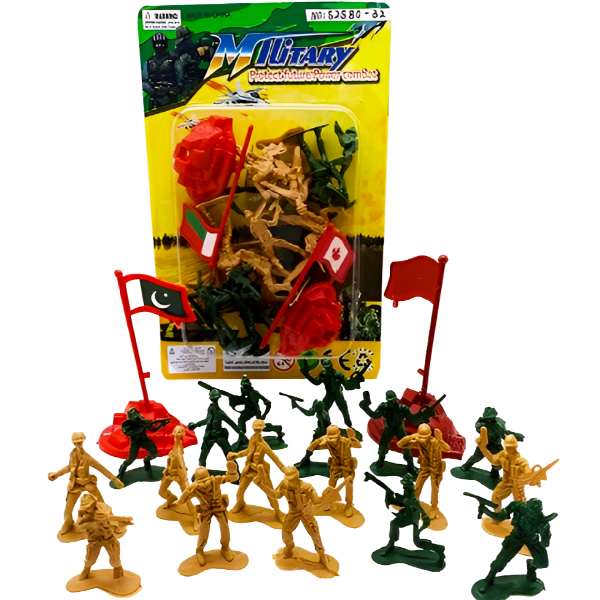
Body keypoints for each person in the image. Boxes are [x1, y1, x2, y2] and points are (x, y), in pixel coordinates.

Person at [48, 432, 123, 534]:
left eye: (80, 443)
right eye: (77, 443)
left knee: (102, 506)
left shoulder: (87, 457)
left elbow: (101, 468)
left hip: (88, 484)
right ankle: (68, 524)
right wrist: (57, 474)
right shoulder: (73, 455)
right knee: (67, 511)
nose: (79, 445)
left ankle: (112, 524)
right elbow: (69, 467)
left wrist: (115, 480)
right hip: (75, 485)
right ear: (74, 444)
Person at [175, 460, 239, 566]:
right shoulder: (195, 488)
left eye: (206, 480)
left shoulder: (216, 480)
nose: (205, 484)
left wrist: (232, 470)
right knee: (203, 531)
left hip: (219, 508)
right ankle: (199, 550)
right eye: (202, 481)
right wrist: (187, 489)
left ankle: (225, 547)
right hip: (206, 511)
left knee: (225, 527)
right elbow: (181, 501)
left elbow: (234, 478)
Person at [307, 425, 361, 516]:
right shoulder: (327, 443)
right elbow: (311, 448)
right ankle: (328, 502)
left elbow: (358, 446)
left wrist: (352, 438)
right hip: (335, 465)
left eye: (334, 438)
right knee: (331, 484)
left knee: (348, 484)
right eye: (330, 438)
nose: (332, 440)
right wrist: (319, 440)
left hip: (346, 466)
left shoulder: (345, 441)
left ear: (339, 436)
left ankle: (349, 504)